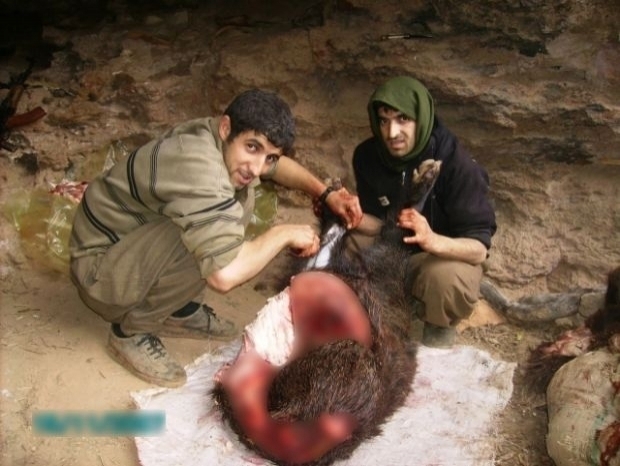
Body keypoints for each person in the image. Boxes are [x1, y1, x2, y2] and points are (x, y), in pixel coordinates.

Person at [69, 89, 363, 387]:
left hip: (126, 245)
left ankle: (178, 310)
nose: (257, 167)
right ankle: (130, 333)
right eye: (252, 147)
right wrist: (283, 233)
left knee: (234, 201)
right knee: (194, 237)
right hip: (100, 270)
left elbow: (276, 167)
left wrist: (326, 194)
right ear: (226, 128)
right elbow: (224, 276)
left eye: (268, 156)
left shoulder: (218, 139)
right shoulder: (200, 168)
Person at [350, 76, 497, 348]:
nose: (392, 132)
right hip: (392, 249)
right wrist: (354, 215)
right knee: (346, 240)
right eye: (384, 120)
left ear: (421, 118)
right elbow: (379, 224)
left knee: (445, 278)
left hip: (439, 258)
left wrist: (432, 240)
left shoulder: (457, 164)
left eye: (403, 119)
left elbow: (478, 249)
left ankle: (438, 325)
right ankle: (365, 311)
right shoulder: (368, 156)